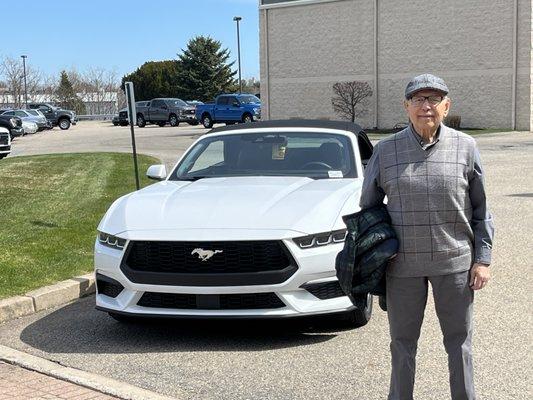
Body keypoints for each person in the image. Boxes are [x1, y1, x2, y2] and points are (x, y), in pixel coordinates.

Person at [359, 74, 494, 400]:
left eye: (434, 99)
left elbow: (481, 208)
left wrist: (483, 259)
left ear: (446, 107)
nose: (426, 106)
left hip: (455, 263)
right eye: (418, 99)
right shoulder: (386, 150)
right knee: (402, 345)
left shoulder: (466, 146)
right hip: (402, 267)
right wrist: (380, 250)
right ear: (407, 107)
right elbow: (368, 207)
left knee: (459, 343)